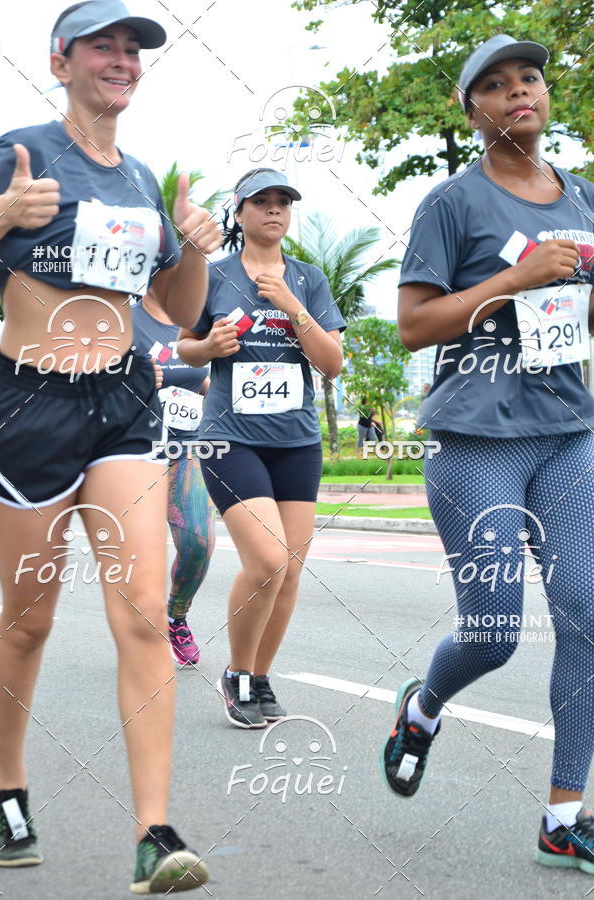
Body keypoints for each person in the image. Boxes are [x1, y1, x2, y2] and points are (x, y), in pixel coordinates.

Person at [0, 1, 222, 892]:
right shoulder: (17, 151)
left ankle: (155, 834)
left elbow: (177, 310)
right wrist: (2, 212)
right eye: (104, 46)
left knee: (139, 607)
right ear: (60, 61)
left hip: (124, 401)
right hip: (27, 407)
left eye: (134, 49)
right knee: (30, 619)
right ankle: (6, 786)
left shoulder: (141, 181)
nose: (123, 60)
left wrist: (198, 243)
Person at [381, 35, 594, 876]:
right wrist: (517, 279)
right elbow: (413, 325)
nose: (518, 94)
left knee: (587, 611)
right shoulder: (452, 203)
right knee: (496, 631)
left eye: (530, 79)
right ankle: (423, 708)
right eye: (496, 86)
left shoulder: (582, 197)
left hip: (569, 433)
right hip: (477, 442)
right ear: (471, 110)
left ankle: (563, 815)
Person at [177, 168, 346, 728]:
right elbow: (184, 346)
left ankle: (258, 678)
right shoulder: (216, 275)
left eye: (283, 202)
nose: (274, 210)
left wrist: (292, 307)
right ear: (240, 212)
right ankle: (235, 674)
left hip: (297, 442)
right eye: (262, 202)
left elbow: (331, 362)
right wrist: (209, 344)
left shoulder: (309, 279)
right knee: (268, 559)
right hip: (230, 439)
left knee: (291, 570)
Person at [132, 286, 215, 666]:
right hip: (133, 450)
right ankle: (136, 629)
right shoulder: (123, 321)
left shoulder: (194, 323)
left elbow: (201, 383)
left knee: (198, 543)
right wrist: (131, 381)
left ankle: (175, 616)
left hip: (186, 448)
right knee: (137, 551)